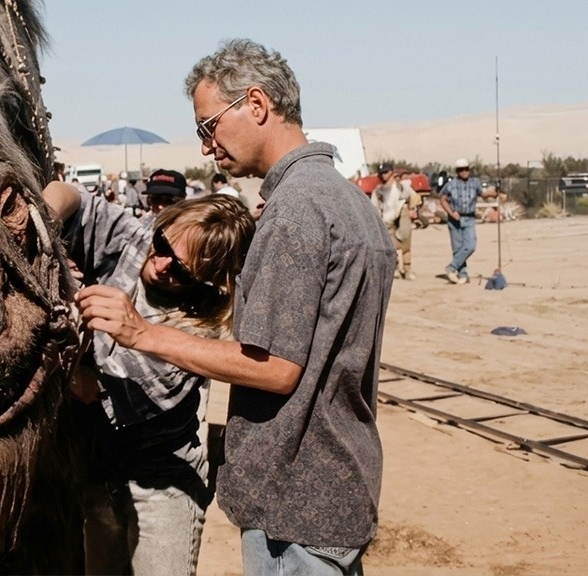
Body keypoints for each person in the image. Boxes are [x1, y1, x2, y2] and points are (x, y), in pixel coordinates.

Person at [77, 38, 394, 576]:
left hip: (296, 503)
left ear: (255, 104)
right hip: (336, 488)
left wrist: (143, 334)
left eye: (208, 126)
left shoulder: (294, 210)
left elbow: (275, 368)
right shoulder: (347, 201)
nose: (206, 146)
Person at [49, 185, 255, 576]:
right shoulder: (139, 238)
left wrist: (63, 353)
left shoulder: (206, 327)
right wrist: (41, 222)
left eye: (181, 270)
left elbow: (93, 390)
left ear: (209, 281)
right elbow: (67, 194)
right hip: (97, 469)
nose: (161, 265)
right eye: (163, 246)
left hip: (161, 484)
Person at [438, 158, 490, 285]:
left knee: (470, 245)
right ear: (457, 171)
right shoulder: (451, 184)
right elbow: (443, 199)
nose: (464, 172)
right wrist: (450, 212)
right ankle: (463, 274)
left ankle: (451, 267)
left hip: (469, 218)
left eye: (466, 169)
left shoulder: (475, 182)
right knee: (457, 248)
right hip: (454, 219)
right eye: (461, 170)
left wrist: (494, 193)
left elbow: (483, 194)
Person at [371, 164, 418, 280]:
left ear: (391, 172)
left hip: (402, 215)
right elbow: (374, 207)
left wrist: (412, 209)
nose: (383, 175)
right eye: (381, 173)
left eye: (386, 172)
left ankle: (407, 269)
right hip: (386, 220)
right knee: (390, 245)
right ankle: (395, 268)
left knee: (406, 243)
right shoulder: (378, 190)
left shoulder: (401, 186)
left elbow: (414, 197)